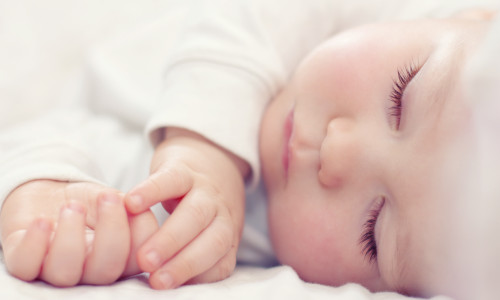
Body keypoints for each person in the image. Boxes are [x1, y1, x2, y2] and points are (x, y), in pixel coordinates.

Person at [0, 0, 498, 298]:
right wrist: (203, 145)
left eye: (374, 230)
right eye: (400, 96)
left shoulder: (245, 241)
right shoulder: (403, 22)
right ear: (471, 14)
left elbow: (79, 144)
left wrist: (51, 196)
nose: (336, 151)